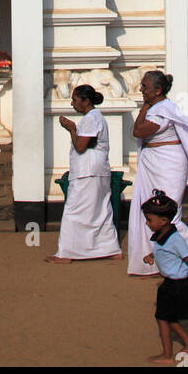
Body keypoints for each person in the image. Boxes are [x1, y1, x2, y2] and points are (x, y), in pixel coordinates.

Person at [127, 70, 188, 277]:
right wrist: (147, 105)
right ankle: (159, 258)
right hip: (155, 161)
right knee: (152, 211)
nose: (141, 89)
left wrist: (145, 107)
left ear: (158, 90)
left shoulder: (162, 110)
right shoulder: (159, 107)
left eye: (145, 87)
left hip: (168, 163)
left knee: (169, 215)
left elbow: (138, 131)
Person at [47, 84, 122, 262]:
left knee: (74, 210)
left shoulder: (90, 118)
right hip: (97, 170)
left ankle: (67, 253)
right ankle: (111, 249)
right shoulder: (96, 117)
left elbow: (81, 147)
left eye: (75, 100)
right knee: (101, 210)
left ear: (86, 101)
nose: (72, 104)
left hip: (88, 172)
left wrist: (72, 129)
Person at [141, 190, 188, 365]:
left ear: (163, 221)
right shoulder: (162, 234)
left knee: (163, 318)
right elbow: (165, 253)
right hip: (170, 283)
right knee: (167, 318)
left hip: (177, 285)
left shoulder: (175, 239)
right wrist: (152, 256)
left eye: (149, 220)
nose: (147, 223)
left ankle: (168, 355)